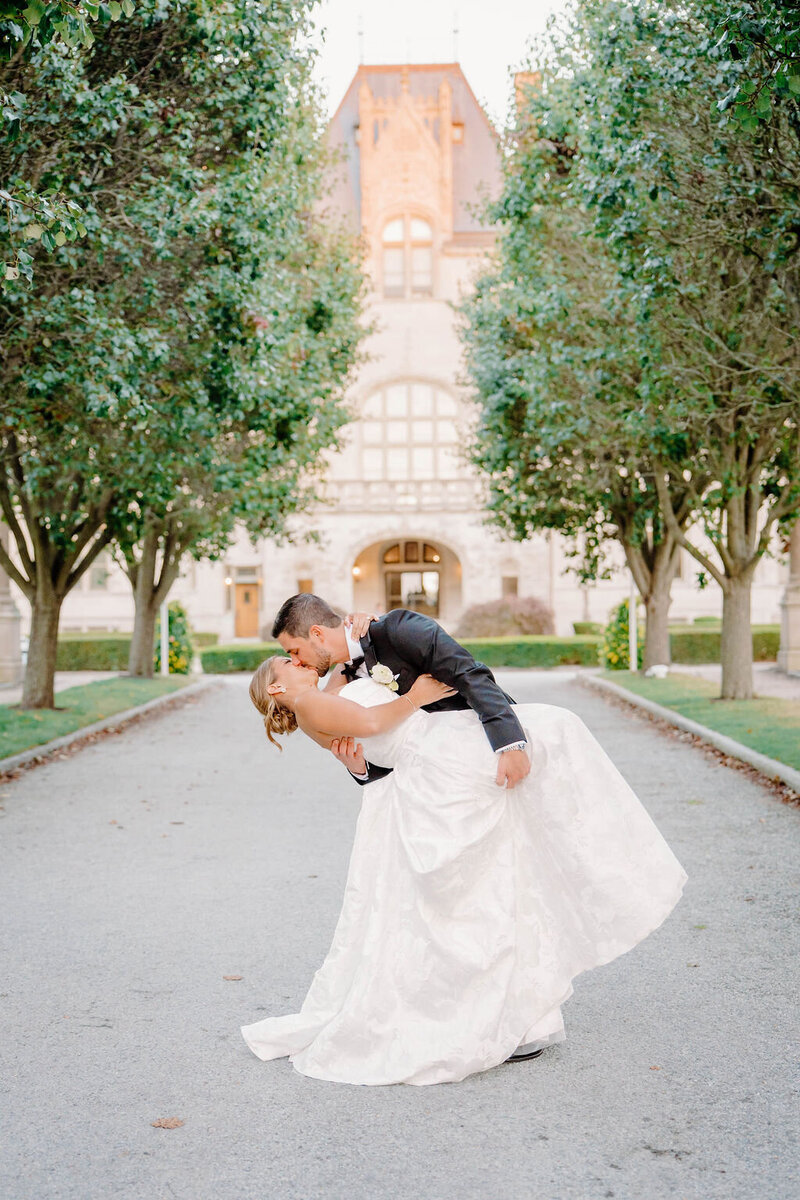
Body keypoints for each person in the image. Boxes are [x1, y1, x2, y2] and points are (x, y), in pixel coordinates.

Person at [240, 643, 688, 1087]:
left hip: (435, 757)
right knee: (553, 740)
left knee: (504, 874)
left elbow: (349, 702)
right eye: (288, 661)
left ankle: (520, 1011)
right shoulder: (308, 700)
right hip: (438, 758)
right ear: (277, 685)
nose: (297, 661)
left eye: (295, 651)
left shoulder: (319, 697)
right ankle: (605, 876)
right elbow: (373, 723)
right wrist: (415, 697)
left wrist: (353, 644)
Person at [270, 593, 532, 790]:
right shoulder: (340, 680)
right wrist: (360, 769)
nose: (296, 661)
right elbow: (384, 743)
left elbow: (469, 673)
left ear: (316, 633)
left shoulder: (397, 628)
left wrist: (509, 744)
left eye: (294, 651)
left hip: (486, 746)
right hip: (435, 781)